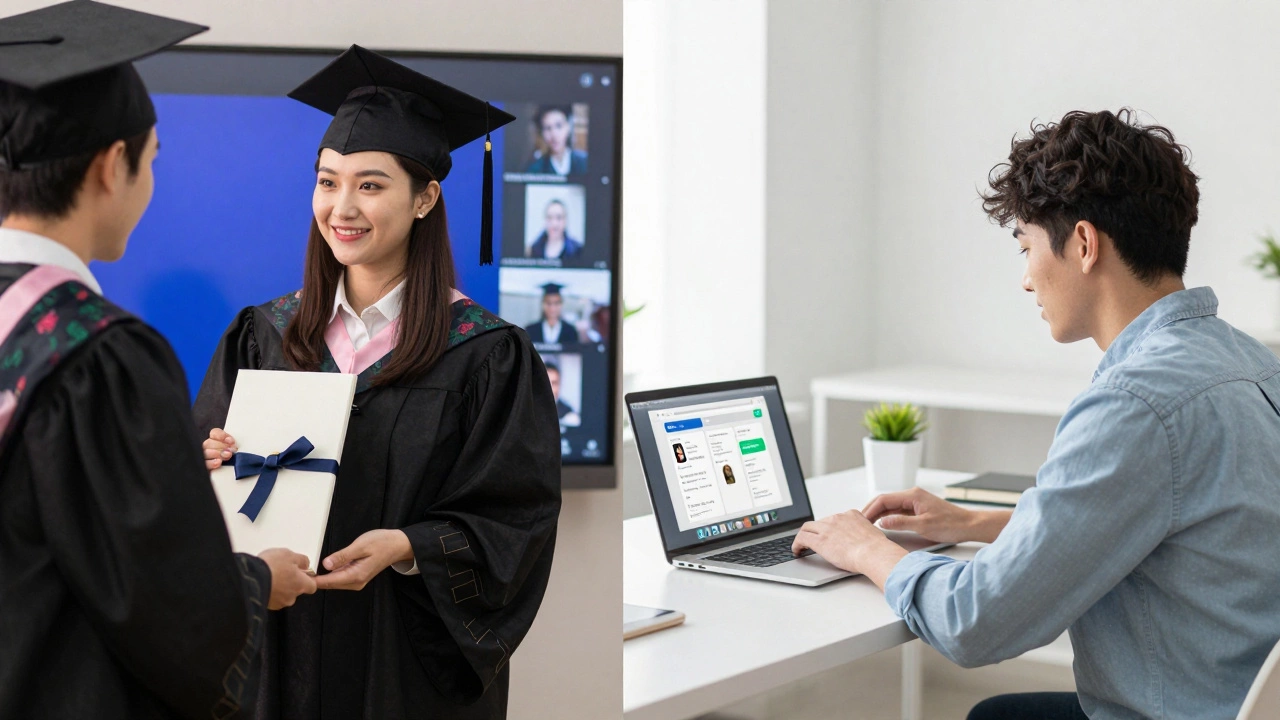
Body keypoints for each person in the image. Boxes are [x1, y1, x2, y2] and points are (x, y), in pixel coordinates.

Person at [791, 109, 1280, 719]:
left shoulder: (1136, 403)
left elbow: (977, 623)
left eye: (1026, 247)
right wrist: (977, 523)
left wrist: (865, 549)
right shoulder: (1250, 363)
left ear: (1082, 243)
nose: (1026, 280)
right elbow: (1174, 519)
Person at [193, 45, 562, 720]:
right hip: (277, 655)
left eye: (370, 184)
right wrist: (208, 461)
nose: (342, 206)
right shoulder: (263, 333)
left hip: (404, 668)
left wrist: (409, 546)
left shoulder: (487, 355)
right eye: (327, 181)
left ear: (425, 197)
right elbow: (195, 493)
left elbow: (518, 521)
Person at [0, 3, 316, 718]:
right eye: (151, 158)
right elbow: (175, 612)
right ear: (113, 167)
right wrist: (257, 582)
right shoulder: (99, 355)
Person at [524, 105, 587, 176]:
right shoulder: (535, 169)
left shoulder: (585, 161)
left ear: (568, 127)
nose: (554, 135)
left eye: (559, 126)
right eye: (547, 128)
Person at [544, 361, 580, 427]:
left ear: (559, 385)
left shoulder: (569, 416)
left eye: (554, 383)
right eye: (546, 383)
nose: (550, 388)